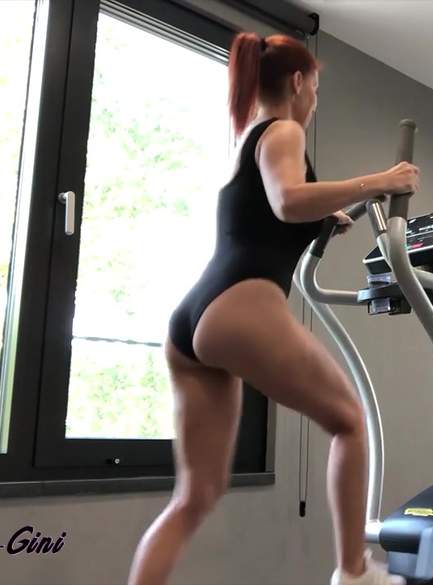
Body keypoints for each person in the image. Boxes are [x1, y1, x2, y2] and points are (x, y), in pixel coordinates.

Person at [127, 32, 418, 585]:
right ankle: (354, 572)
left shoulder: (249, 141)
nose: (315, 102)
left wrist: (327, 215)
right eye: (317, 90)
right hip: (241, 302)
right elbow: (286, 200)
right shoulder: (284, 129)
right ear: (299, 81)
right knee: (349, 422)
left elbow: (270, 211)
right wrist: (381, 181)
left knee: (195, 495)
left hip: (194, 320)